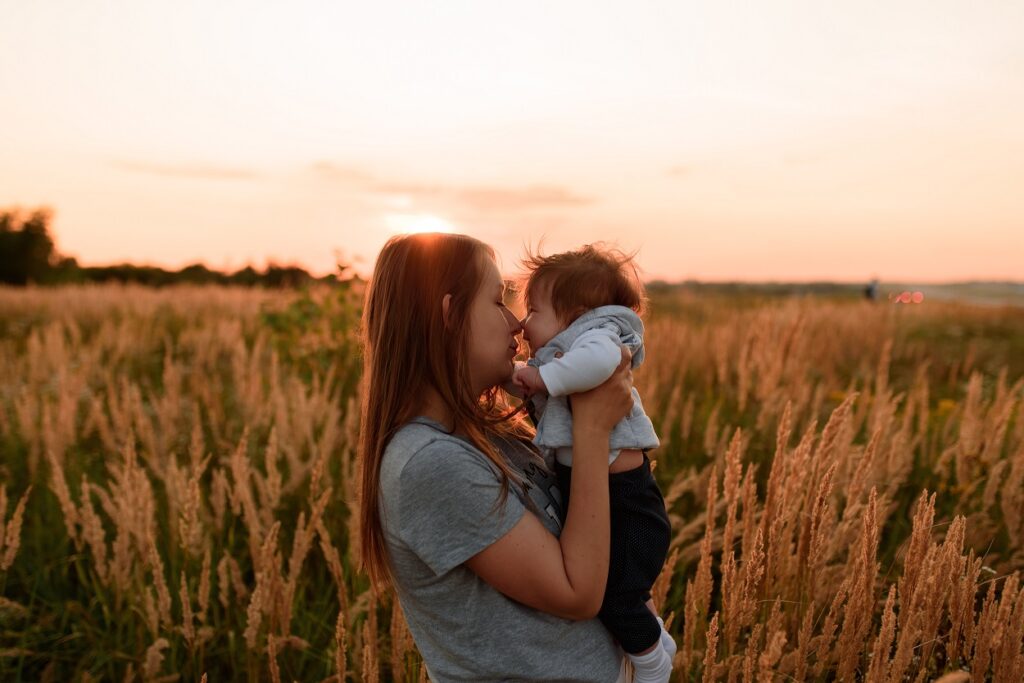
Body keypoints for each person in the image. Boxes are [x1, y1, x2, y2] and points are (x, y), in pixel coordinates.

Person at [358, 232, 639, 682]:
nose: (516, 323)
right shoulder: (430, 464)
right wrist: (592, 429)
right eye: (497, 301)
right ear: (449, 315)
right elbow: (577, 594)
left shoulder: (491, 432)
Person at [509, 244, 674, 683]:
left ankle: (654, 664)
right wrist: (520, 376)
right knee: (624, 590)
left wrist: (541, 377)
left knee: (616, 596)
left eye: (534, 310)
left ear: (577, 315)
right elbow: (531, 381)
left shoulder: (597, 337)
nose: (523, 323)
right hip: (606, 494)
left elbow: (599, 363)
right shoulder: (566, 349)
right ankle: (654, 638)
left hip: (626, 502)